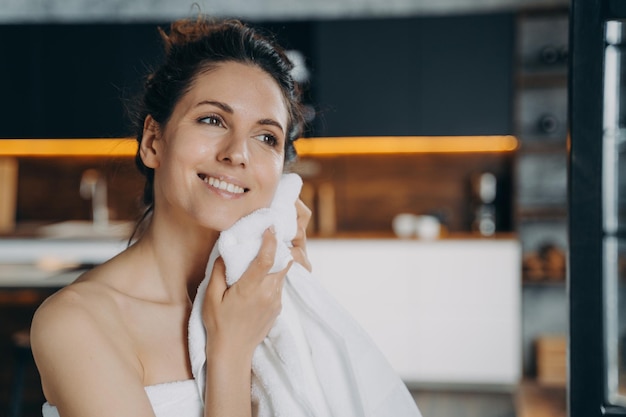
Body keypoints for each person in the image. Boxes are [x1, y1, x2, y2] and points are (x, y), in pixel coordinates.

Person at [30, 15, 313, 417]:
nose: (238, 153)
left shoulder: (266, 301)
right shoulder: (78, 322)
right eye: (212, 120)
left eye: (266, 137)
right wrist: (229, 354)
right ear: (152, 141)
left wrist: (298, 294)